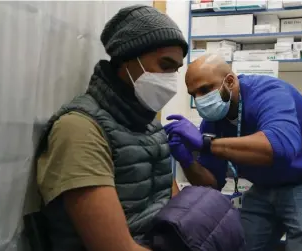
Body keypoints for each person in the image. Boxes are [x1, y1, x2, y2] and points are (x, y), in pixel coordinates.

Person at [34, 5, 188, 251]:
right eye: (165, 65)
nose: (171, 82)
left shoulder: (151, 125)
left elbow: (177, 206)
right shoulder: (79, 129)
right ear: (127, 59)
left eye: (176, 70)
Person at [165, 54, 302, 251]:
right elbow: (212, 184)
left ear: (229, 81)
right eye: (193, 94)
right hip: (269, 183)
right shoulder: (213, 122)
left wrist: (206, 144)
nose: (200, 99)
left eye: (205, 89)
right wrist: (186, 159)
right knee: (239, 243)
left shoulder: (268, 92)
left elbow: (280, 147)